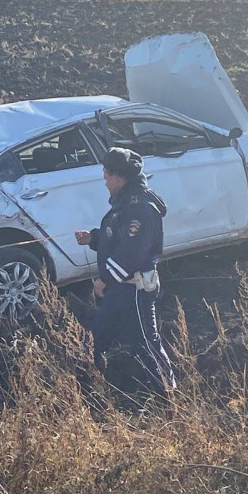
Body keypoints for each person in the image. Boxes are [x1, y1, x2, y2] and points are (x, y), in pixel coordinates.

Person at [75, 147, 176, 397]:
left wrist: (104, 280)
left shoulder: (141, 210)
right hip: (120, 289)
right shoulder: (126, 202)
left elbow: (132, 255)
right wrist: (93, 239)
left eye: (107, 176)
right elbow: (116, 237)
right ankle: (80, 386)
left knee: (146, 342)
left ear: (119, 177)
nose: (105, 181)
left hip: (135, 290)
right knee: (98, 333)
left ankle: (169, 395)